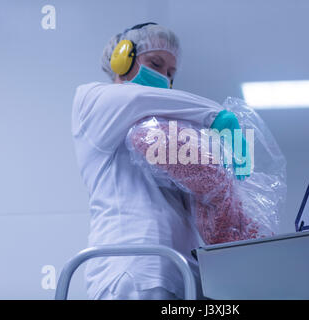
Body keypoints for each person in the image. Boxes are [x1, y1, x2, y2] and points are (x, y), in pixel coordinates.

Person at [71, 22, 226, 300]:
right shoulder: (93, 101)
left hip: (180, 272)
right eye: (155, 64)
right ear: (122, 58)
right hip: (131, 268)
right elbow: (135, 99)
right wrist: (217, 115)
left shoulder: (164, 129)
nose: (164, 79)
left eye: (170, 73)